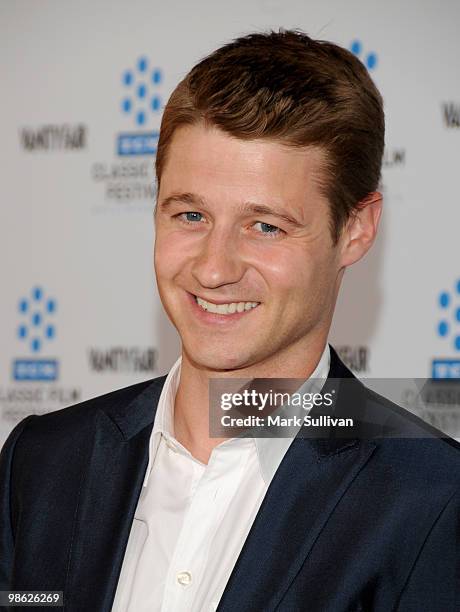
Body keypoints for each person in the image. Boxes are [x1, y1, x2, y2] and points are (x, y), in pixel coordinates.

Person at [1, 29, 459, 612]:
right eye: (190, 214)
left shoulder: (432, 501)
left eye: (265, 226)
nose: (214, 269)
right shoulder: (41, 463)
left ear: (356, 230)